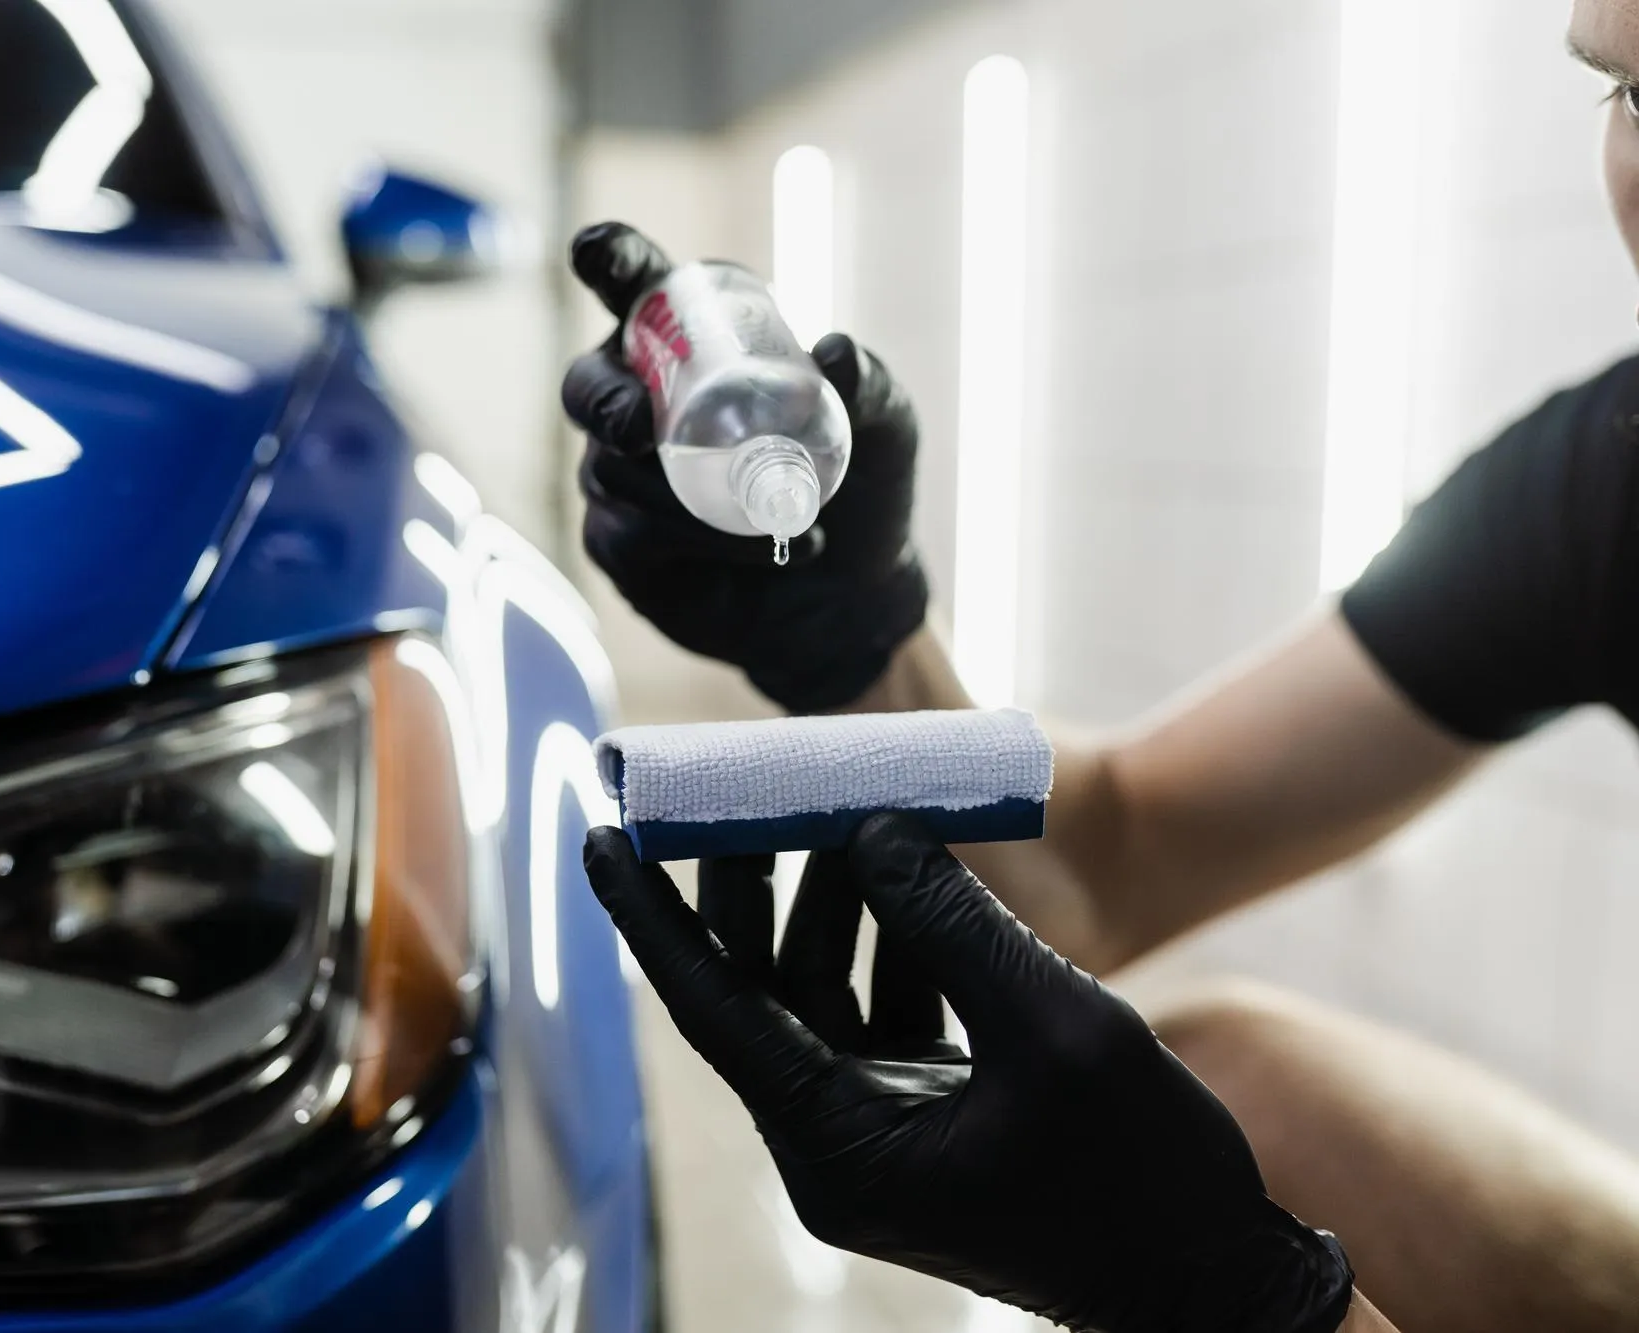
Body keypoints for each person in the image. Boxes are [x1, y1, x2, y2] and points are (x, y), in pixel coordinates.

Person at [563, 3, 1639, 1330]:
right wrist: (860, 644)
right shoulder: (1610, 483)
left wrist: (1248, 1308)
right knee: (1244, 1095)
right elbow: (1114, 854)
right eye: (1634, 94)